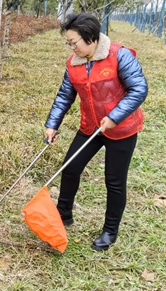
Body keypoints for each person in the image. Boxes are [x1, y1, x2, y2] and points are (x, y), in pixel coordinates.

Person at [44, 13, 148, 251]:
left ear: (90, 37)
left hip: (121, 128)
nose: (71, 47)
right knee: (70, 167)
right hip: (91, 126)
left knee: (114, 181)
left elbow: (139, 88)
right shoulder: (74, 63)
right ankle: (64, 214)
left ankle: (110, 230)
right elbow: (64, 96)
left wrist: (114, 117)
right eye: (68, 43)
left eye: (74, 42)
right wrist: (52, 124)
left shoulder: (119, 55)